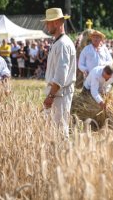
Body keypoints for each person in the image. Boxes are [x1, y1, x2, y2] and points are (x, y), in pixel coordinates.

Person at [41, 8, 77, 137]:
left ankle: (64, 156)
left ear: (56, 22)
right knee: (53, 130)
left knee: (60, 130)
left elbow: (60, 75)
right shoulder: (58, 42)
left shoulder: (63, 44)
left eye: (48, 22)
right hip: (57, 92)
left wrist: (50, 96)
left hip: (60, 93)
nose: (46, 25)